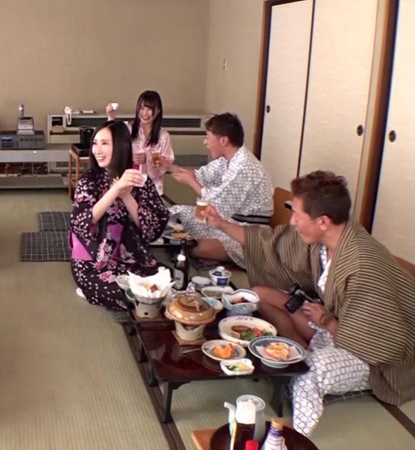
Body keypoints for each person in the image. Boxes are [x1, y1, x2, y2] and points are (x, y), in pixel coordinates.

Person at [202, 170, 415, 436]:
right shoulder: (324, 240)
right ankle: (298, 352)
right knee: (260, 295)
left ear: (323, 221)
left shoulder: (363, 266)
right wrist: (221, 224)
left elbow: (383, 342)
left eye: (297, 215)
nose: (292, 222)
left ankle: (289, 439)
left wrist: (327, 320)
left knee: (308, 372)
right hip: (333, 326)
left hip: (373, 357)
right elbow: (269, 244)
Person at [69, 121, 169, 318]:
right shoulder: (88, 181)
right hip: (94, 260)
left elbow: (152, 230)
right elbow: (81, 223)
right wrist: (115, 189)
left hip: (131, 256)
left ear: (121, 146)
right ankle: (90, 290)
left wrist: (126, 195)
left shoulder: (139, 180)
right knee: (129, 295)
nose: (97, 150)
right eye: (95, 143)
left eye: (105, 143)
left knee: (162, 287)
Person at [167, 112, 272, 268]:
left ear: (223, 140)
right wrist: (167, 166)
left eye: (208, 137)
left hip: (248, 232)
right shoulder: (228, 159)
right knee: (177, 212)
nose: (205, 142)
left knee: (200, 248)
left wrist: (191, 182)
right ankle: (201, 251)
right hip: (227, 221)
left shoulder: (243, 166)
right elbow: (199, 175)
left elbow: (215, 203)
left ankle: (207, 254)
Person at [106, 90, 175, 196]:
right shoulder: (128, 128)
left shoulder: (163, 136)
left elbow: (167, 163)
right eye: (141, 108)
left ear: (158, 111)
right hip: (127, 186)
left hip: (152, 189)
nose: (144, 113)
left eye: (149, 109)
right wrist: (111, 117)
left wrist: (148, 159)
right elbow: (109, 137)